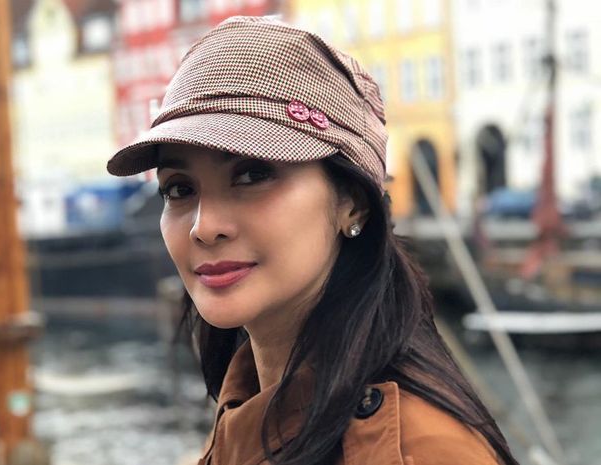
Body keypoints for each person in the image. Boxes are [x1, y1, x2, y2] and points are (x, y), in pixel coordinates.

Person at [107, 16, 518, 465]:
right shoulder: (248, 406)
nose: (204, 227)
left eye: (252, 174)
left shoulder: (417, 452)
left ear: (352, 202)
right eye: (179, 189)